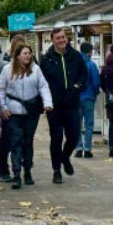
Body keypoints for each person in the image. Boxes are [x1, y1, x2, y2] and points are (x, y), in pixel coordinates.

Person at [0, 44, 52, 189]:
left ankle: (27, 170)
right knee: (15, 142)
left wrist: (48, 103)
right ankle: (16, 174)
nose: (28, 56)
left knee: (28, 142)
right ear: (17, 56)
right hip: (13, 112)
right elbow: (1, 89)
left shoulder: (35, 69)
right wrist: (3, 107)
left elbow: (43, 86)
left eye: (29, 53)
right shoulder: (7, 69)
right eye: (25, 53)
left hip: (31, 111)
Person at [39, 28, 87, 184]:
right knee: (56, 138)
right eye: (58, 38)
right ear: (52, 40)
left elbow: (83, 75)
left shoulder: (75, 56)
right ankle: (56, 170)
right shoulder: (46, 59)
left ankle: (65, 157)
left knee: (73, 136)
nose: (62, 40)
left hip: (72, 104)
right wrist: (47, 100)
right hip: (55, 106)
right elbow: (42, 82)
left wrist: (77, 86)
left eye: (63, 37)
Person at [75, 42, 100, 158]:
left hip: (76, 98)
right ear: (89, 52)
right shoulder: (92, 65)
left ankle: (78, 148)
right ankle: (88, 149)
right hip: (89, 98)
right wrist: (95, 93)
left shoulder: (75, 64)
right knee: (89, 124)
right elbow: (95, 83)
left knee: (77, 124)